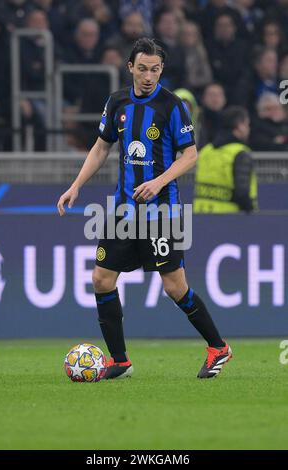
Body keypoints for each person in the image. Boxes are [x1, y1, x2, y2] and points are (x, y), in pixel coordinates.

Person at [57, 38, 232, 380]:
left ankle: (218, 347)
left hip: (162, 212)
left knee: (174, 287)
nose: (149, 75)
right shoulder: (117, 102)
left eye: (155, 69)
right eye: (142, 68)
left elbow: (191, 155)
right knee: (101, 279)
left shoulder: (173, 105)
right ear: (130, 68)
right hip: (123, 210)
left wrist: (159, 182)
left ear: (161, 69)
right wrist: (76, 185)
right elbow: (100, 147)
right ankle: (120, 361)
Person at [193, 106, 258, 213]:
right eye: (247, 124)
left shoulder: (206, 151)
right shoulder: (240, 153)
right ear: (240, 126)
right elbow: (242, 194)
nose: (248, 129)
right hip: (230, 220)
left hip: (201, 216)